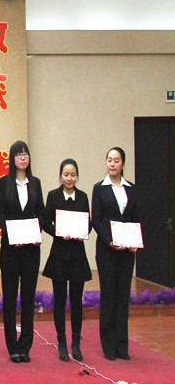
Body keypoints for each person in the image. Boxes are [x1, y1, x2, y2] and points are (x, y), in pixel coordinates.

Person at [0, 140, 44, 363]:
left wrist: (34, 230)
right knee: (10, 296)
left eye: (26, 154)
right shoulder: (4, 182)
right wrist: (12, 233)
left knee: (28, 297)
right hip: (11, 249)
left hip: (31, 249)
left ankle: (25, 345)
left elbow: (41, 212)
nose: (23, 157)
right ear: (12, 159)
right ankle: (12, 346)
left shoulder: (36, 183)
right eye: (19, 154)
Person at [42, 158, 91, 362]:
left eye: (72, 175)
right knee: (60, 300)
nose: (69, 178)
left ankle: (76, 343)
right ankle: (61, 342)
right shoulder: (53, 196)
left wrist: (81, 232)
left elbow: (88, 224)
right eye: (66, 174)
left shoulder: (83, 197)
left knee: (76, 301)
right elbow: (45, 222)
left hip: (78, 254)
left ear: (77, 176)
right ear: (60, 176)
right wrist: (59, 232)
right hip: (59, 255)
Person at [92, 146, 138, 361]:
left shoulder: (131, 189)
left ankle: (122, 345)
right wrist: (110, 241)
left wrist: (134, 241)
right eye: (109, 160)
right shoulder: (99, 188)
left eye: (116, 160)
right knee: (109, 295)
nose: (112, 163)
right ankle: (109, 345)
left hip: (127, 251)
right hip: (107, 250)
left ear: (123, 164)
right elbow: (97, 219)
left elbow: (135, 218)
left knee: (123, 297)